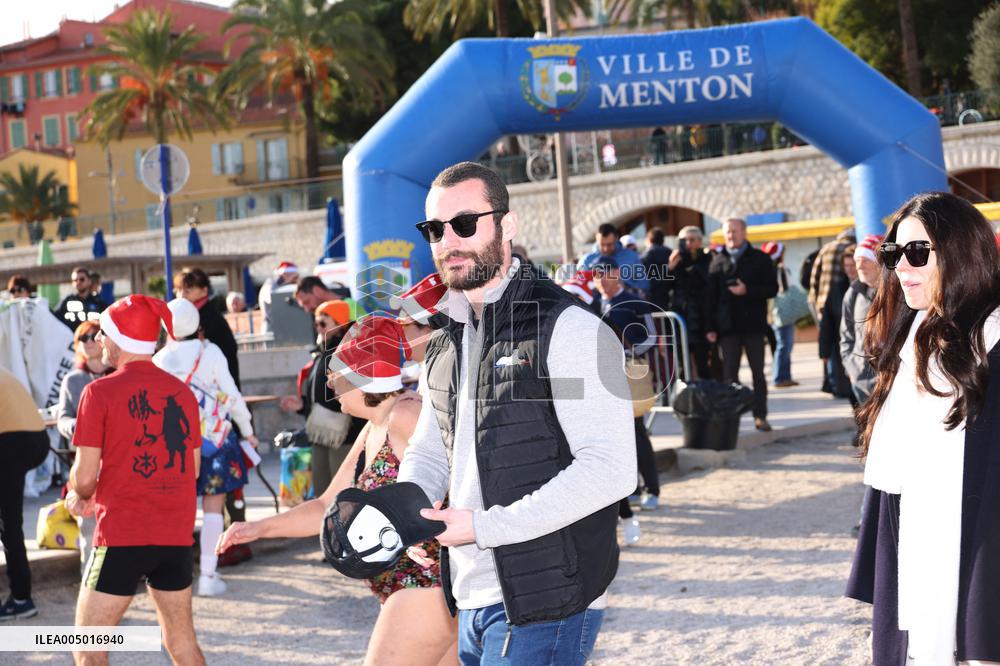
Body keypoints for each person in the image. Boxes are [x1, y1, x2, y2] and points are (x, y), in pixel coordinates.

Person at [400, 162, 636, 664]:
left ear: (507, 226)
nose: (448, 241)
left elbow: (612, 469)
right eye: (434, 229)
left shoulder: (571, 327)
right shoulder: (445, 339)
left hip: (549, 597)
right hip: (469, 594)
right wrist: (410, 513)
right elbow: (429, 450)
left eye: (465, 223)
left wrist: (483, 528)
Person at [218, 315, 459, 665]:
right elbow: (325, 505)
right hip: (408, 587)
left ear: (362, 379)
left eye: (337, 376)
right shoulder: (374, 427)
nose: (330, 384)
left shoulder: (406, 416)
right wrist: (257, 529)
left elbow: (465, 480)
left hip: (428, 584)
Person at [846, 192, 1000, 665]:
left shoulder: (992, 342)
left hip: (976, 558)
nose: (900, 268)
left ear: (959, 253)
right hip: (913, 557)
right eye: (893, 254)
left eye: (917, 253)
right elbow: (891, 480)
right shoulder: (914, 336)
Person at [65, 295, 205, 665]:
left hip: (121, 533)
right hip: (174, 533)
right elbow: (191, 470)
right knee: (181, 642)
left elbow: (83, 476)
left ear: (119, 340)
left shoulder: (97, 392)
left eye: (103, 335)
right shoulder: (183, 393)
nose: (99, 343)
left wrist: (81, 495)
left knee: (87, 645)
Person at [153, 298, 259, 597]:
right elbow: (232, 395)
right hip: (215, 440)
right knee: (214, 507)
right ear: (197, 324)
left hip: (175, 444)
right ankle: (208, 576)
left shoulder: (159, 361)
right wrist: (248, 430)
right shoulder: (210, 352)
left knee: (178, 509)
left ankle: (174, 576)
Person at [593, 256, 660, 532]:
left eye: (604, 274)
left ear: (617, 273)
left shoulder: (635, 300)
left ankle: (652, 488)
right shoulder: (593, 305)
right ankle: (629, 487)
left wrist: (628, 352)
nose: (600, 282)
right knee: (615, 438)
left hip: (631, 378)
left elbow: (652, 336)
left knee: (637, 432)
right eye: (595, 276)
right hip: (602, 379)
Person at [280, 299, 366, 497]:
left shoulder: (349, 350)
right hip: (322, 433)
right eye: (316, 323)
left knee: (342, 492)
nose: (317, 328)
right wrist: (303, 406)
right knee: (322, 490)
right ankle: (327, 527)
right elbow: (322, 394)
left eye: (323, 323)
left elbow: (351, 393)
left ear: (341, 322)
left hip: (345, 435)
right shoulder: (322, 351)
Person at [705, 218, 778, 431]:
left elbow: (772, 289)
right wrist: (710, 327)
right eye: (728, 232)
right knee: (730, 375)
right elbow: (710, 298)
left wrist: (748, 290)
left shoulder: (760, 259)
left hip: (754, 325)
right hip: (727, 328)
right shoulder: (717, 261)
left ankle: (760, 415)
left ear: (744, 232)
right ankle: (731, 420)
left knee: (757, 373)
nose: (731, 235)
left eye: (735, 231)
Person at [0, 368, 50, 620]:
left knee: (9, 525)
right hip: (36, 438)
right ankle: (21, 596)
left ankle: (21, 598)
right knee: (9, 524)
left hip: (12, 442)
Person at [56, 320, 112, 546]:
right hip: (85, 460)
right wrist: (79, 426)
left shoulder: (118, 374)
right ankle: (89, 579)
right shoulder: (72, 379)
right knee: (89, 527)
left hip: (116, 458)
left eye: (93, 336)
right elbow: (63, 418)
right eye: (82, 338)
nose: (88, 342)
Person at [808, 229, 856, 393]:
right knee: (844, 340)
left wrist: (816, 299)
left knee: (830, 342)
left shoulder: (826, 248)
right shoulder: (852, 248)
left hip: (824, 300)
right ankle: (841, 383)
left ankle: (830, 381)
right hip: (845, 296)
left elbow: (813, 277)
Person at [668, 226, 715, 379]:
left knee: (704, 365)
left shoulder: (708, 259)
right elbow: (662, 289)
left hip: (702, 320)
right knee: (682, 366)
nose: (688, 243)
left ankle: (708, 398)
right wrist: (670, 268)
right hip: (681, 319)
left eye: (692, 240)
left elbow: (704, 284)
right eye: (684, 240)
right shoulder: (673, 262)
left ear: (700, 242)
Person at [840, 235, 882, 404]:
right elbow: (846, 336)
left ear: (879, 262)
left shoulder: (898, 294)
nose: (859, 266)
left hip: (892, 382)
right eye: (857, 260)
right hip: (861, 383)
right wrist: (852, 370)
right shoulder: (853, 293)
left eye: (865, 260)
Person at [819, 246, 858, 402]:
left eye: (852, 265)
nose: (849, 269)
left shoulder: (873, 288)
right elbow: (827, 322)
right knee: (849, 391)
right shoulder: (837, 288)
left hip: (866, 350)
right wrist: (824, 351)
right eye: (846, 265)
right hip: (843, 346)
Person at [761, 242, 799, 388]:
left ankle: (785, 377)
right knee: (784, 345)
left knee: (783, 345)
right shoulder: (779, 270)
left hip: (775, 313)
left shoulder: (766, 270)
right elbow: (784, 290)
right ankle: (779, 377)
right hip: (782, 313)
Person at [577, 222, 650, 293]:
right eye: (602, 244)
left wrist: (626, 288)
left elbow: (644, 285)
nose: (605, 248)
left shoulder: (631, 256)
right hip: (594, 304)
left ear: (616, 238)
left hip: (624, 302)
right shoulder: (587, 260)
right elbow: (577, 286)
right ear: (596, 240)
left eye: (609, 244)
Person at [258, 261, 299, 332]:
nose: (295, 279)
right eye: (294, 277)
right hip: (271, 326)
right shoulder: (270, 284)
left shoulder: (282, 286)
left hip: (281, 327)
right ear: (285, 274)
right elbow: (272, 299)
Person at [642, 228, 673, 313]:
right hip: (669, 296)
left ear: (649, 240)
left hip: (653, 297)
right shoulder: (671, 253)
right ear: (663, 240)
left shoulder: (646, 255)